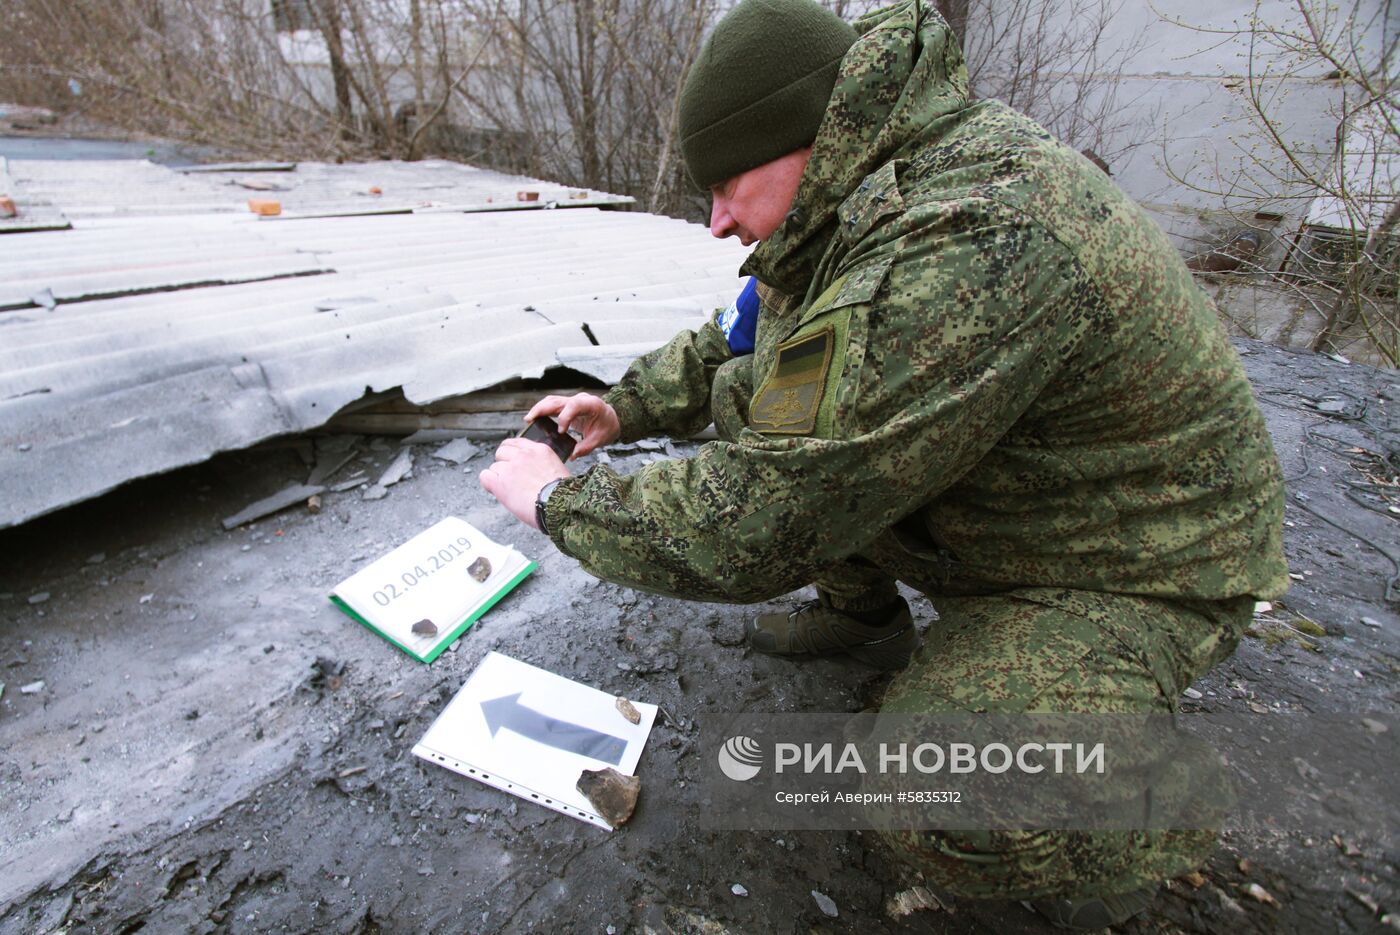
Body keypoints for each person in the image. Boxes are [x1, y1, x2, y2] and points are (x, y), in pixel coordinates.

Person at [481, 0, 1288, 926]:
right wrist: (625, 404)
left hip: (1132, 561)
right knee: (763, 393)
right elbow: (738, 334)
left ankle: (1167, 791)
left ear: (802, 142)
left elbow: (762, 520)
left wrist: (558, 504)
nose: (713, 222)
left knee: (931, 785)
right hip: (1017, 499)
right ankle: (867, 626)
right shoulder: (850, 190)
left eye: (728, 186)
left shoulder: (969, 237)